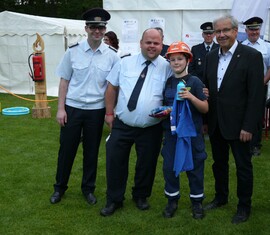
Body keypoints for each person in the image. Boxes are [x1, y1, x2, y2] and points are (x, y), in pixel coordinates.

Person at [49, 8, 120, 205]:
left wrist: (110, 111)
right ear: (86, 28)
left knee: (91, 152)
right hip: (73, 109)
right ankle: (59, 188)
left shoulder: (112, 55)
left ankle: (88, 189)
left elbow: (113, 87)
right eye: (94, 27)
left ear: (105, 29)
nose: (97, 31)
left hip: (96, 111)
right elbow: (64, 82)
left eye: (101, 27)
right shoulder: (72, 51)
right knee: (66, 150)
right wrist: (60, 109)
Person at [100, 28, 172, 216]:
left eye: (156, 43)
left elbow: (174, 94)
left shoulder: (168, 67)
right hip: (122, 124)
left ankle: (141, 195)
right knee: (115, 161)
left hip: (151, 127)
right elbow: (111, 88)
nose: (152, 46)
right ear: (141, 43)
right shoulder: (125, 63)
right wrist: (109, 113)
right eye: (148, 42)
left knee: (147, 164)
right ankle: (114, 199)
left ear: (162, 44)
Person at [203, 15, 264, 224]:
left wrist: (249, 126)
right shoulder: (211, 56)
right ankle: (221, 198)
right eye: (217, 31)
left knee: (243, 167)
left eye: (225, 30)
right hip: (216, 123)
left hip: (240, 126)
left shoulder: (251, 56)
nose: (221, 35)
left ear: (236, 31)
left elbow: (256, 96)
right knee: (218, 164)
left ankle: (243, 206)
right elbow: (210, 89)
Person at [161, 42, 208, 219]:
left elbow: (205, 108)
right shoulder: (169, 82)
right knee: (169, 167)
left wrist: (190, 96)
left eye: (180, 58)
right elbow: (167, 105)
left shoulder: (195, 82)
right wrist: (165, 111)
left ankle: (197, 203)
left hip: (192, 135)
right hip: (172, 134)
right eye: (172, 60)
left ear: (188, 60)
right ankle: (172, 201)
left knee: (195, 168)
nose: (176, 62)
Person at [242, 16, 270, 156]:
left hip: (260, 86)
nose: (254, 32)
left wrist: (261, 83)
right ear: (246, 31)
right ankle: (243, 142)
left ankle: (255, 145)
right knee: (243, 113)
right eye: (251, 30)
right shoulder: (241, 46)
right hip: (243, 87)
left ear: (260, 30)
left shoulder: (267, 46)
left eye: (256, 29)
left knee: (257, 115)